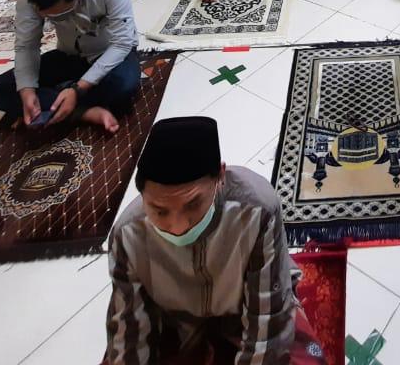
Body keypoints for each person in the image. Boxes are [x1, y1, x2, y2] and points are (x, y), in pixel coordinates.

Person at [106, 116, 326, 365]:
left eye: (193, 204)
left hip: (242, 312)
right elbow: (132, 329)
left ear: (220, 176)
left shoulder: (256, 210)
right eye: (160, 211)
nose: (178, 227)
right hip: (175, 323)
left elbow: (267, 316)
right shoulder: (128, 233)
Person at [0, 0, 140, 134]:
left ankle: (57, 101)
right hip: (69, 54)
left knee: (124, 85)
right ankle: (85, 112)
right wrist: (27, 90)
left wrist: (78, 89)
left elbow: (122, 44)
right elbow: (26, 46)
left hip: (108, 53)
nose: (56, 20)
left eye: (60, 16)